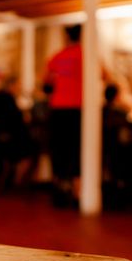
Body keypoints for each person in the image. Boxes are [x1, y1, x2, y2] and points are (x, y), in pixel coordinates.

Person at [44, 24, 83, 207]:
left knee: (59, 150)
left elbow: (45, 82)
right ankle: (77, 194)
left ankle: (59, 190)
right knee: (77, 150)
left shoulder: (58, 56)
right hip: (78, 109)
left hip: (58, 109)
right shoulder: (86, 55)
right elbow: (105, 76)